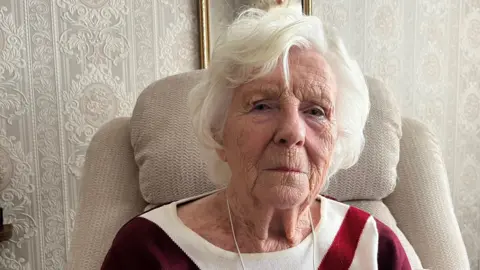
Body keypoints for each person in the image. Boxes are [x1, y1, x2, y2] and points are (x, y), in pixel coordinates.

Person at [101, 7, 412, 270]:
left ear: (338, 138)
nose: (292, 132)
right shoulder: (148, 251)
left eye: (316, 111)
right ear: (218, 131)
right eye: (262, 105)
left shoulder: (372, 248)